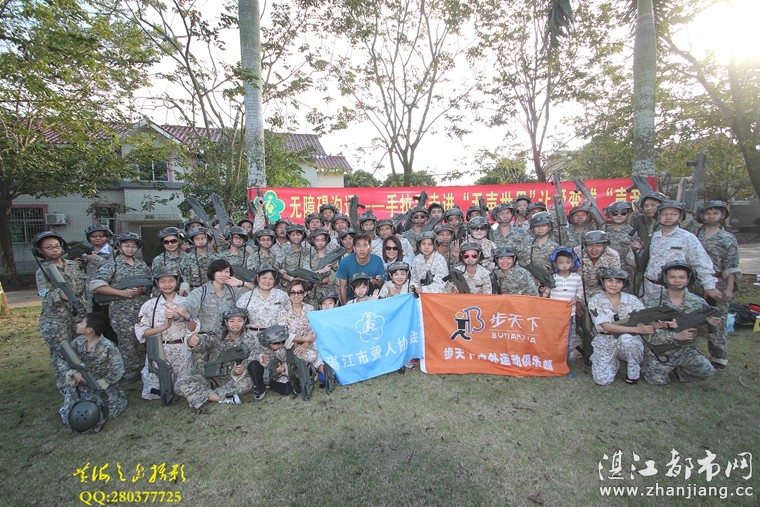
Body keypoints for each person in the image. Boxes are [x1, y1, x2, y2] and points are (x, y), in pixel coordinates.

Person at [641, 262, 721, 385]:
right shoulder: (653, 302)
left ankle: (681, 373)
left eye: (682, 277)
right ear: (665, 278)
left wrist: (711, 325)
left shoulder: (698, 302)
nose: (677, 281)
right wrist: (675, 336)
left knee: (706, 371)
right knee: (656, 381)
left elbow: (708, 335)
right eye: (672, 277)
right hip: (659, 351)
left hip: (686, 350)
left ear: (688, 279)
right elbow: (645, 332)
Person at [90, 232, 152, 382]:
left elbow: (150, 284)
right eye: (127, 245)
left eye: (133, 246)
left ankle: (145, 368)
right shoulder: (112, 265)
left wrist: (142, 289)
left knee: (143, 339)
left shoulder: (141, 265)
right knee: (127, 342)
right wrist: (121, 293)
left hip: (141, 309)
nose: (130, 249)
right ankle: (131, 371)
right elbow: (95, 285)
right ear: (119, 246)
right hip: (121, 311)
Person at [34, 231, 87, 393]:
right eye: (49, 247)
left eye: (56, 246)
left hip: (77, 314)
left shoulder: (72, 265)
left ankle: (84, 381)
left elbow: (80, 287)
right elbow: (44, 295)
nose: (54, 249)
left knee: (80, 349)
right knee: (62, 352)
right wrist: (60, 295)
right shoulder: (43, 271)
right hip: (56, 318)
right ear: (40, 250)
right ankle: (66, 386)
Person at [57, 312, 127, 433]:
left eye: (82, 323)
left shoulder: (108, 346)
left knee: (105, 411)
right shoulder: (76, 343)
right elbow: (61, 360)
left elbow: (119, 369)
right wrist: (72, 373)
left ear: (89, 330)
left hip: (101, 387)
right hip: (80, 387)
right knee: (69, 415)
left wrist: (104, 382)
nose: (78, 325)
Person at [692, 200, 740, 368]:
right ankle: (691, 351)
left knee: (716, 319)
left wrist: (729, 288)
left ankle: (718, 355)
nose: (711, 216)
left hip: (718, 282)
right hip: (693, 282)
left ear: (722, 215)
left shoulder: (727, 238)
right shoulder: (694, 234)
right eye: (708, 213)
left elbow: (731, 266)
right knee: (692, 316)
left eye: (715, 213)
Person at [175, 307, 255, 408]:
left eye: (240, 321)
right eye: (232, 321)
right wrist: (193, 340)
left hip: (232, 379)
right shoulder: (217, 335)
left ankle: (202, 395)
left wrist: (243, 368)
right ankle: (221, 399)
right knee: (181, 384)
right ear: (226, 322)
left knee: (248, 382)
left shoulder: (249, 339)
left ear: (244, 322)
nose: (236, 324)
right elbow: (205, 340)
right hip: (210, 378)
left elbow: (252, 359)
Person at [640, 201, 720, 300]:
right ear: (658, 216)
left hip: (676, 290)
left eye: (674, 214)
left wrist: (709, 286)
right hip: (648, 289)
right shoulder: (651, 237)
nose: (669, 217)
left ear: (680, 217)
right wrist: (635, 250)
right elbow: (636, 263)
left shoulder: (687, 237)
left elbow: (701, 262)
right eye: (664, 214)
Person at [134, 268, 193, 401]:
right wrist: (164, 326)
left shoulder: (186, 302)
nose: (167, 284)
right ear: (157, 283)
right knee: (155, 391)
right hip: (159, 351)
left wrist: (185, 316)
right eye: (163, 281)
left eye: (171, 281)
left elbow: (194, 327)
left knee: (184, 388)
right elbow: (142, 332)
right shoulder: (149, 305)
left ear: (177, 282)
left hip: (181, 350)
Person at [588, 268, 651, 385]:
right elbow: (606, 326)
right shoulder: (595, 300)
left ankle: (633, 371)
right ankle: (612, 362)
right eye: (610, 280)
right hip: (605, 339)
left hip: (628, 338)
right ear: (602, 282)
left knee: (627, 340)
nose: (614, 285)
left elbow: (645, 320)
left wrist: (663, 324)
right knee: (602, 380)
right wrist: (637, 329)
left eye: (619, 282)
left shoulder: (632, 300)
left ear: (624, 284)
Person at [175, 259, 249, 336]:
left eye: (226, 271)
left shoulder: (233, 291)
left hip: (227, 338)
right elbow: (183, 311)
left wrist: (241, 283)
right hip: (206, 337)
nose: (223, 274)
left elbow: (255, 292)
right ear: (213, 273)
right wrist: (172, 315)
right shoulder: (200, 292)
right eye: (219, 271)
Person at [543, 248, 584, 364]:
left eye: (567, 262)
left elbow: (580, 291)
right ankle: (551, 358)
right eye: (561, 263)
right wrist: (543, 293)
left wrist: (576, 298)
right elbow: (546, 294)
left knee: (566, 336)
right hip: (553, 314)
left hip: (568, 313)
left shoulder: (576, 278)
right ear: (556, 264)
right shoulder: (552, 278)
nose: (564, 265)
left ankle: (563, 361)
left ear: (572, 264)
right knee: (552, 336)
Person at [237, 264, 291, 332]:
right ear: (258, 278)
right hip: (252, 336)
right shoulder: (245, 297)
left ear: (275, 280)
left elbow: (290, 316)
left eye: (271, 279)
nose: (267, 281)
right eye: (264, 278)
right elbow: (238, 319)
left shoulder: (282, 296)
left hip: (276, 335)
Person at [247, 325, 294, 401]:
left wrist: (283, 368)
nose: (278, 345)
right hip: (263, 373)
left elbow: (292, 363)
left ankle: (270, 384)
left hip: (278, 376)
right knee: (253, 365)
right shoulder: (260, 347)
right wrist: (261, 357)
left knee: (287, 389)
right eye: (275, 343)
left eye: (281, 342)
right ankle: (260, 388)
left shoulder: (286, 348)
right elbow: (250, 361)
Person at [336, 233, 385, 304]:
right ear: (354, 248)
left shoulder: (377, 260)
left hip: (373, 299)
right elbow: (342, 287)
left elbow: (382, 283)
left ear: (370, 248)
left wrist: (378, 282)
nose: (362, 249)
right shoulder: (345, 262)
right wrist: (346, 307)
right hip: (352, 300)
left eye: (365, 245)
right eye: (358, 246)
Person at [573, 231, 621, 300]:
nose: (594, 249)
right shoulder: (576, 252)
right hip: (578, 291)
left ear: (604, 245)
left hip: (603, 292)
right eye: (590, 245)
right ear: (585, 246)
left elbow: (614, 279)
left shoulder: (612, 255)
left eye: (598, 245)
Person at [179, 226, 214, 295]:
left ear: (206, 239)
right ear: (193, 241)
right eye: (197, 239)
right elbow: (185, 279)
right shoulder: (187, 258)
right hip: (194, 292)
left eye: (202, 238)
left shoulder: (215, 257)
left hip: (212, 291)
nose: (200, 241)